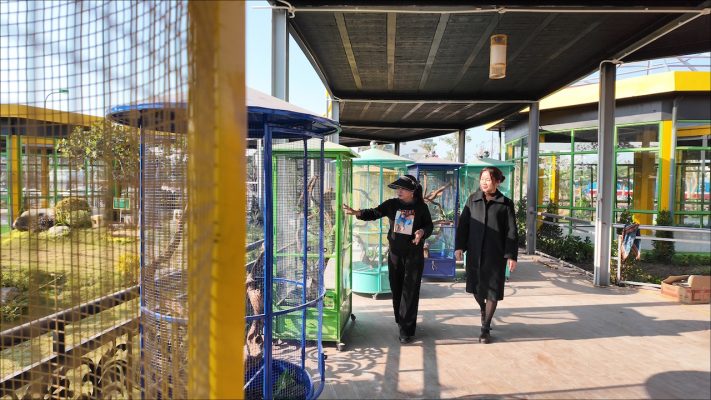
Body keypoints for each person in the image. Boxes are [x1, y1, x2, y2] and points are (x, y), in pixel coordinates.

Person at [343, 174, 433, 344]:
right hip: (395, 255)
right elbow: (375, 212)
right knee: (396, 288)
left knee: (410, 291)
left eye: (403, 188)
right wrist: (357, 213)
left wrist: (422, 232)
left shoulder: (421, 207)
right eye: (398, 188)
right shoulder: (392, 204)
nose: (399, 191)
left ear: (412, 191)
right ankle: (401, 319)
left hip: (414, 255)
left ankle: (406, 330)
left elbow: (429, 225)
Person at [454, 167, 518, 344]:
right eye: (482, 179)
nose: (484, 182)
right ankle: (483, 309)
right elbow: (463, 225)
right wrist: (459, 247)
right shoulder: (472, 200)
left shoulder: (505, 203)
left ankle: (485, 328)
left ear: (497, 182)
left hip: (495, 254)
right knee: (475, 288)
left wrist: (511, 255)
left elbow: (512, 231)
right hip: (474, 252)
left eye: (488, 179)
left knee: (493, 291)